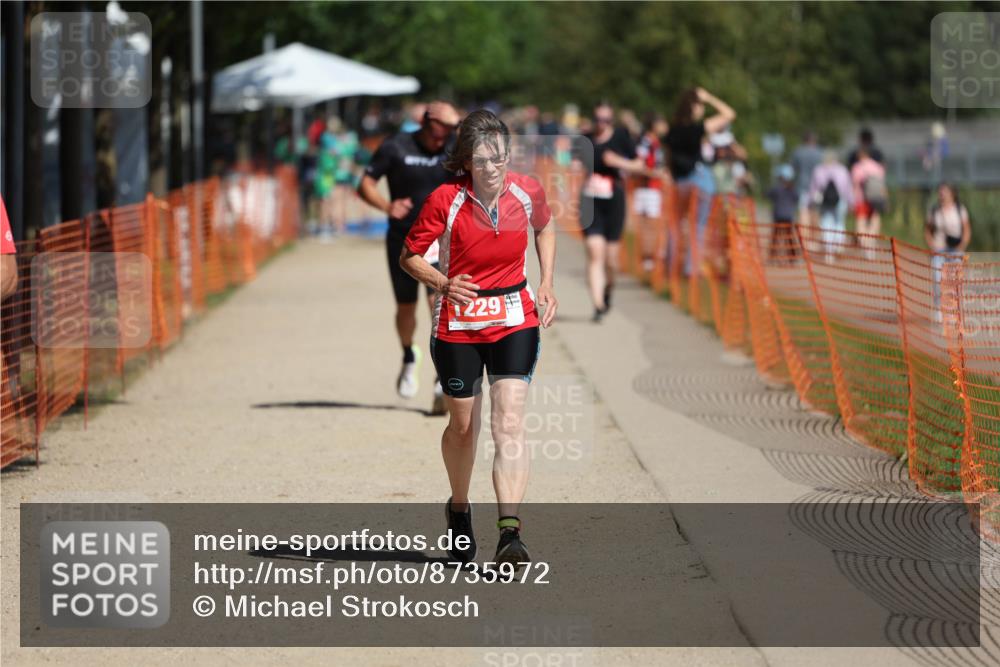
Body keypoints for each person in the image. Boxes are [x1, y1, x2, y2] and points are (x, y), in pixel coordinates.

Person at [399, 109, 557, 566]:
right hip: (458, 323)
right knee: (463, 428)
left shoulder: (527, 192)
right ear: (466, 161)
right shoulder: (444, 200)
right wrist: (443, 283)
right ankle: (459, 508)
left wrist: (545, 283)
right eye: (483, 160)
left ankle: (510, 534)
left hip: (513, 316)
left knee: (508, 421)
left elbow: (544, 227)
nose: (493, 168)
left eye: (500, 158)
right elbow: (410, 256)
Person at [358, 101, 460, 415]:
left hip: (441, 242)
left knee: (438, 304)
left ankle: (441, 377)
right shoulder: (396, 146)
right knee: (406, 309)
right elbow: (364, 184)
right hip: (404, 242)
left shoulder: (455, 147)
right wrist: (386, 207)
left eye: (451, 128)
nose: (444, 135)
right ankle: (408, 354)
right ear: (426, 122)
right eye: (441, 127)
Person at [579, 102, 655, 322]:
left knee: (611, 260)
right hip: (589, 200)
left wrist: (617, 161)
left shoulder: (621, 137)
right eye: (598, 120)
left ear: (611, 121)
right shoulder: (586, 138)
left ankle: (607, 290)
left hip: (614, 200)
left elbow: (640, 165)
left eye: (606, 120)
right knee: (595, 253)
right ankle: (598, 305)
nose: (601, 124)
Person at [664, 87, 736, 275]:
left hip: (679, 182)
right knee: (698, 226)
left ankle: (670, 266)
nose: (703, 109)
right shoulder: (698, 128)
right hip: (699, 180)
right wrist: (710, 97)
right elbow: (729, 114)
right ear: (694, 107)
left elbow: (668, 158)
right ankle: (691, 269)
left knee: (675, 224)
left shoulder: (672, 130)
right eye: (701, 105)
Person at [925, 182, 971, 321]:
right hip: (939, 249)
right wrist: (932, 245)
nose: (942, 194)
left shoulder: (960, 209)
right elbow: (927, 230)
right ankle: (939, 309)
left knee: (953, 281)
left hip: (955, 250)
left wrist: (962, 246)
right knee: (938, 279)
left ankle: (951, 310)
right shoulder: (934, 210)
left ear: (952, 193)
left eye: (945, 191)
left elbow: (967, 229)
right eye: (940, 191)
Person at [634, 113, 669, 274]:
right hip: (647, 188)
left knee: (652, 225)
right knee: (648, 225)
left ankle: (649, 259)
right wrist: (655, 174)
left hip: (654, 188)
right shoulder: (646, 142)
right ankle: (647, 259)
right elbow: (638, 165)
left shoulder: (656, 142)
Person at [808, 150, 853, 263]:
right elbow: (848, 188)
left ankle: (829, 253)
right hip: (841, 200)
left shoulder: (818, 170)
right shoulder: (842, 170)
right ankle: (838, 245)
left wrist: (811, 200)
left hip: (825, 201)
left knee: (827, 225)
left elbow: (814, 188)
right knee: (839, 223)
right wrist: (851, 201)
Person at [851, 146, 888, 259]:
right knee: (874, 221)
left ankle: (866, 246)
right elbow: (882, 184)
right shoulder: (877, 167)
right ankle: (871, 245)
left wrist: (852, 200)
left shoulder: (857, 167)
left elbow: (854, 184)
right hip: (876, 198)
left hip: (861, 199)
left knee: (861, 223)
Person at [790, 131, 823, 238]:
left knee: (803, 211)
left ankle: (805, 238)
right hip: (818, 187)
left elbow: (793, 170)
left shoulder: (798, 152)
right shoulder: (820, 152)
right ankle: (815, 237)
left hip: (802, 185)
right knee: (816, 211)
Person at [767, 164, 799, 265]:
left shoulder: (777, 188)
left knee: (775, 237)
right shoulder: (792, 189)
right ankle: (792, 257)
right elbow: (796, 199)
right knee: (789, 237)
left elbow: (768, 194)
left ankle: (772, 256)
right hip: (788, 216)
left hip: (778, 216)